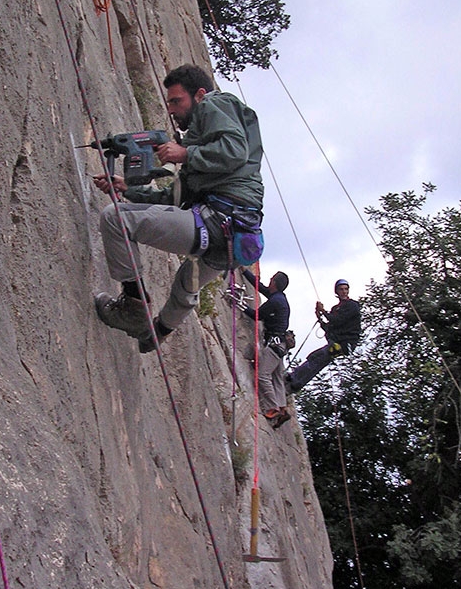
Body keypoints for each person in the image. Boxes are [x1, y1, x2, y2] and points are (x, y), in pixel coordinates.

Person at [93, 64, 264, 353]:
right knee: (187, 285)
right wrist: (128, 189)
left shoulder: (214, 102)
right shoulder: (203, 158)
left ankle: (134, 310)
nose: (171, 109)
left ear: (198, 95)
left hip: (219, 222)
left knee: (115, 219)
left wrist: (186, 153)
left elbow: (235, 150)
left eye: (176, 101)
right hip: (232, 241)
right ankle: (156, 333)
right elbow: (173, 200)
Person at [286, 280, 361, 393]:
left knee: (317, 359)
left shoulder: (352, 306)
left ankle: (294, 380)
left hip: (345, 344)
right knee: (315, 357)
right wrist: (320, 318)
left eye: (346, 289)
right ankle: (295, 380)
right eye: (341, 289)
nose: (344, 292)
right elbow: (329, 328)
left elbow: (337, 320)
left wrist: (323, 311)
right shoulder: (336, 309)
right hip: (336, 342)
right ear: (336, 291)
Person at [240, 269, 291, 426]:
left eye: (272, 279)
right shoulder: (279, 298)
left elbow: (257, 315)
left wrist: (239, 305)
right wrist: (245, 272)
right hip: (280, 345)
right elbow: (260, 287)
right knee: (276, 377)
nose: (269, 279)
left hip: (274, 345)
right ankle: (282, 408)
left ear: (275, 283)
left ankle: (272, 407)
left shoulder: (276, 301)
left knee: (262, 374)